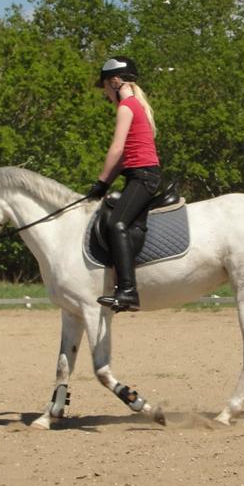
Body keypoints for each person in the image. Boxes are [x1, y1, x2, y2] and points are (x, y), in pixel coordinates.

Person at [87, 56, 161, 312]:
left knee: (117, 223)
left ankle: (128, 291)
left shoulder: (126, 107)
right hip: (140, 174)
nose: (106, 94)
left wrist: (100, 181)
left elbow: (117, 149)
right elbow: (125, 156)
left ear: (115, 82)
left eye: (106, 87)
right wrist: (105, 184)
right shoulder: (136, 105)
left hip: (143, 177)